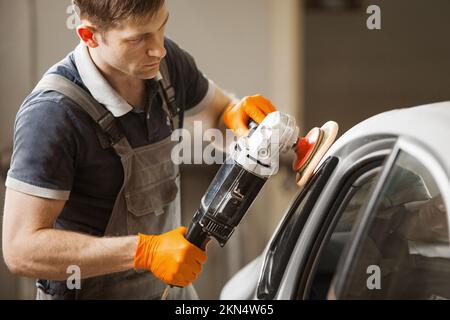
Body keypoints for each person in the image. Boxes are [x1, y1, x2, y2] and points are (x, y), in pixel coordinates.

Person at [2, 0, 277, 299]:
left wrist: (239, 119)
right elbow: (21, 249)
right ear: (89, 35)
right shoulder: (52, 113)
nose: (158, 48)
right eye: (138, 38)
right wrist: (144, 252)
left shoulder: (167, 65)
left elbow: (218, 117)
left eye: (161, 27)